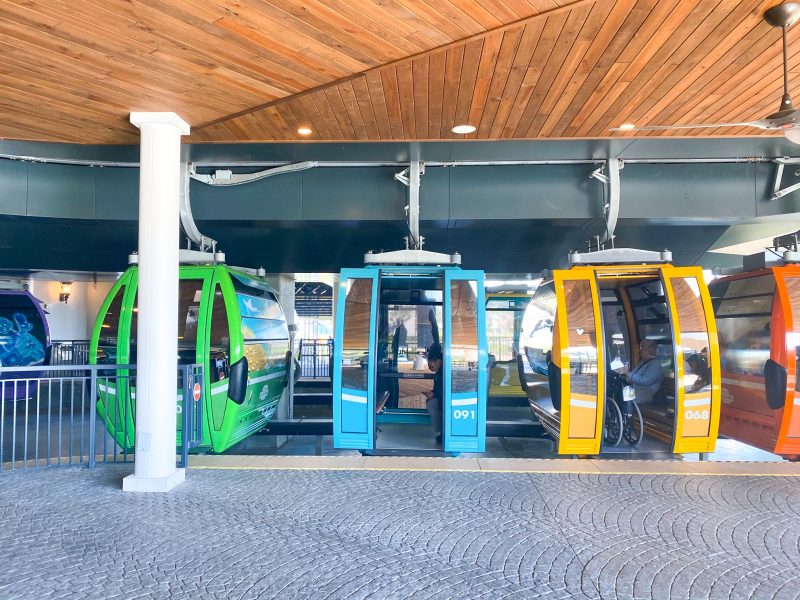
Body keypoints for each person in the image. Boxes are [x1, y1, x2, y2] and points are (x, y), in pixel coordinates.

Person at [617, 338, 665, 404]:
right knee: (617, 393)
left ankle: (626, 413)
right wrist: (627, 377)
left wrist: (630, 375)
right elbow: (634, 373)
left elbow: (645, 380)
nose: (640, 350)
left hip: (647, 393)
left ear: (650, 351)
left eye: (643, 348)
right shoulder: (643, 362)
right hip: (637, 390)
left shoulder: (655, 364)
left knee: (622, 398)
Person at [423, 342, 444, 445]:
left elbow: (445, 390)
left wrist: (433, 394)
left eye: (431, 365)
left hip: (446, 400)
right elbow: (440, 389)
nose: (432, 368)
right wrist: (433, 393)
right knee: (431, 401)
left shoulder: (443, 372)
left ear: (438, 361)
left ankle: (441, 432)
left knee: (431, 404)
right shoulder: (440, 371)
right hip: (442, 397)